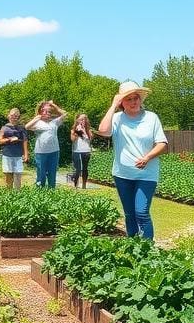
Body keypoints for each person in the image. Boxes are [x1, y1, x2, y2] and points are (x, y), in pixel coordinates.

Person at [97, 81, 168, 240]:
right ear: (122, 102)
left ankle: (147, 250)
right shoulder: (116, 118)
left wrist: (148, 157)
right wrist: (113, 105)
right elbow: (103, 130)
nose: (134, 101)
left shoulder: (151, 118)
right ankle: (132, 247)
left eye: (136, 98)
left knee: (141, 212)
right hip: (122, 175)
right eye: (128, 99)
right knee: (129, 214)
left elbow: (162, 144)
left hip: (146, 174)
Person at [25, 101, 68, 187]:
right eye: (44, 111)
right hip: (41, 153)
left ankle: (51, 191)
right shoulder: (37, 123)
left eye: (48, 111)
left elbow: (65, 114)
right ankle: (40, 191)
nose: (46, 113)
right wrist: (36, 118)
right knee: (41, 173)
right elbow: (27, 127)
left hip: (54, 152)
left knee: (52, 173)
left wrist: (53, 105)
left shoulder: (54, 122)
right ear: (40, 112)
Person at [0, 108, 29, 189]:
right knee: (8, 176)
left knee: (18, 176)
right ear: (9, 116)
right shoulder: (4, 128)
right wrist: (9, 139)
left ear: (18, 117)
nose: (14, 117)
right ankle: (9, 194)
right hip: (7, 155)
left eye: (16, 116)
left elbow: (25, 141)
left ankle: (17, 194)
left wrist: (26, 154)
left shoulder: (22, 128)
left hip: (18, 156)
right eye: (12, 115)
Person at [69, 113, 93, 188]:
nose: (83, 121)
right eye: (81, 119)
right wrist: (77, 131)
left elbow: (90, 138)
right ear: (77, 120)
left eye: (84, 119)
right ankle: (76, 185)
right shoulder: (73, 130)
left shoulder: (89, 130)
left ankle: (84, 185)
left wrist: (84, 130)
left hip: (86, 151)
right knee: (78, 169)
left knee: (85, 168)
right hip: (76, 151)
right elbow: (72, 140)